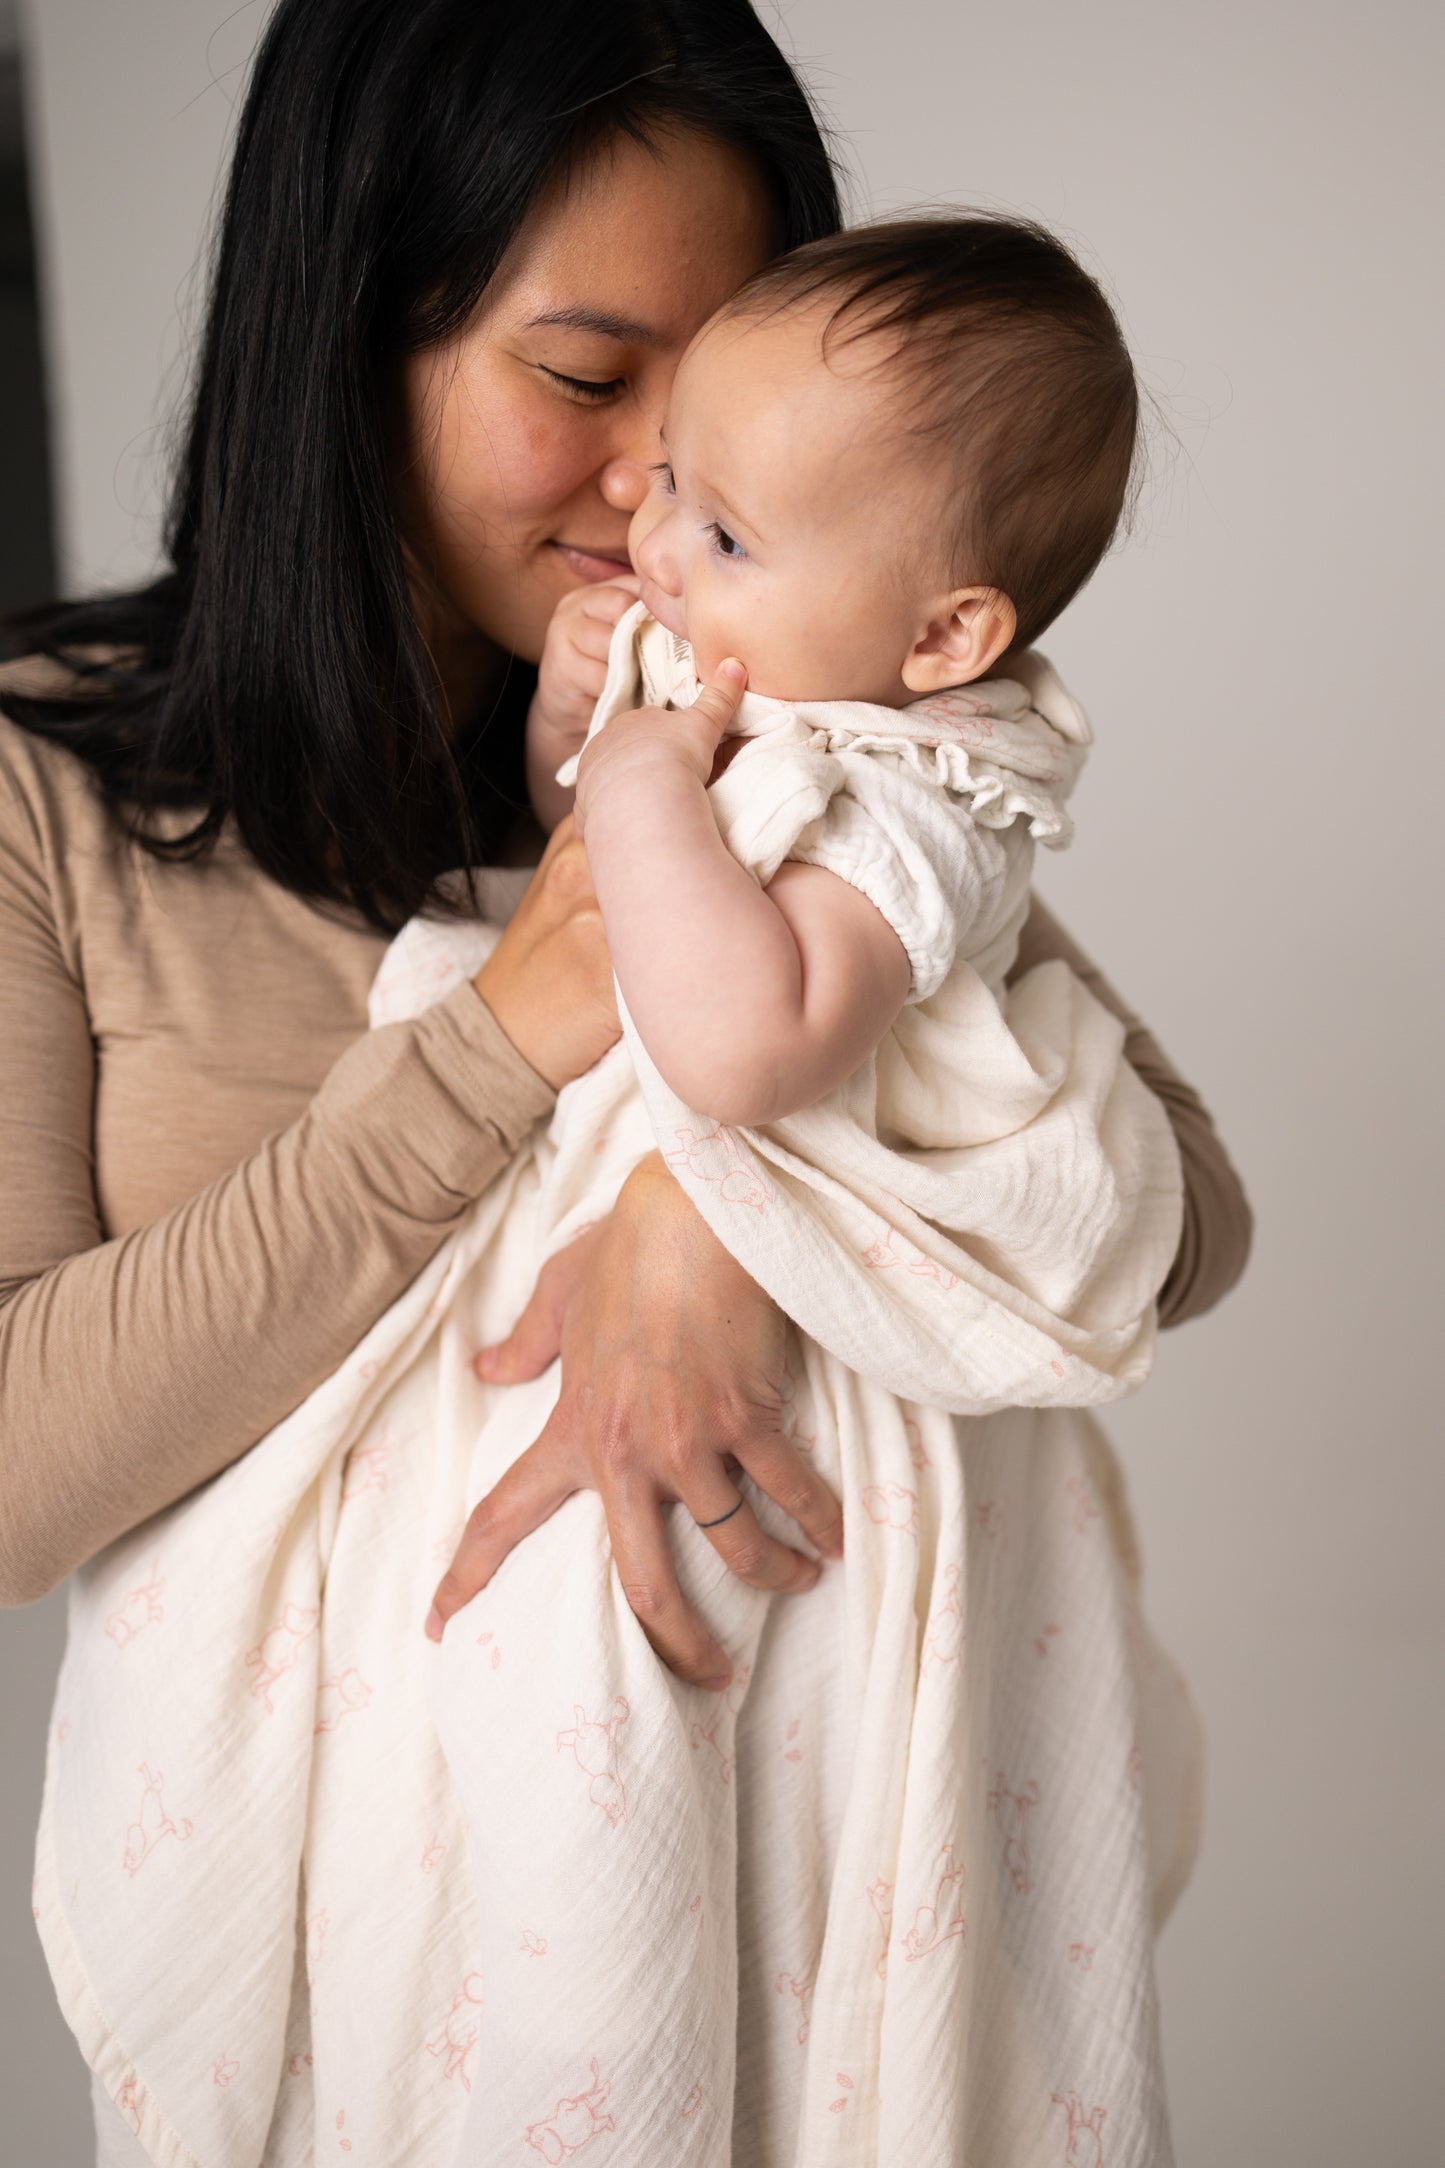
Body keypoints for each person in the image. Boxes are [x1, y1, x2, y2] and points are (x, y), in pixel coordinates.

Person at [0, 2, 1249, 2160]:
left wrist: (720, 1207)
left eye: (717, 415)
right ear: (353, 341)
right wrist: (514, 1041)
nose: (657, 503)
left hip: (813, 1928)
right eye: (587, 385)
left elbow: (1177, 1219)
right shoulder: (43, 791)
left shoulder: (790, 751)